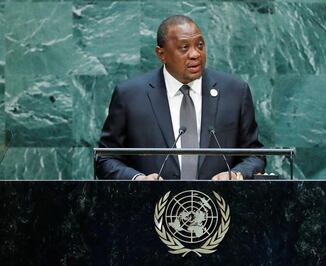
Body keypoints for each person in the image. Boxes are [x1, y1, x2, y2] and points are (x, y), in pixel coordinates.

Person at [96, 15, 265, 180]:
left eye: (200, 45)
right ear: (161, 54)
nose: (195, 54)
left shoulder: (234, 92)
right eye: (184, 47)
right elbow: (106, 159)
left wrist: (236, 174)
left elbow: (255, 156)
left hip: (218, 205)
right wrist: (137, 179)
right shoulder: (130, 96)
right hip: (151, 205)